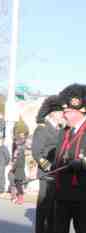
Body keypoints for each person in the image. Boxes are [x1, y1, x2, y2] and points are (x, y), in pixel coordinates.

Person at [53, 84, 86, 233]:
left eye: (67, 111)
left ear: (79, 111)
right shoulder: (63, 132)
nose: (64, 115)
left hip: (82, 195)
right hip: (62, 193)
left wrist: (83, 163)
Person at [31, 95, 64, 233]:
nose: (63, 114)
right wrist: (49, 167)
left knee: (53, 208)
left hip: (58, 174)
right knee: (44, 206)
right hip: (47, 174)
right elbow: (36, 152)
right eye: (61, 112)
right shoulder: (42, 128)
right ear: (54, 113)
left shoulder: (60, 129)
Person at [11, 134, 26, 205]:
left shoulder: (20, 151)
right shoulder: (19, 150)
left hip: (19, 170)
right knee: (18, 184)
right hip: (18, 170)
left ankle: (21, 199)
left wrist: (13, 168)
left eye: (16, 141)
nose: (15, 143)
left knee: (19, 185)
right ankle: (19, 198)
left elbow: (19, 162)